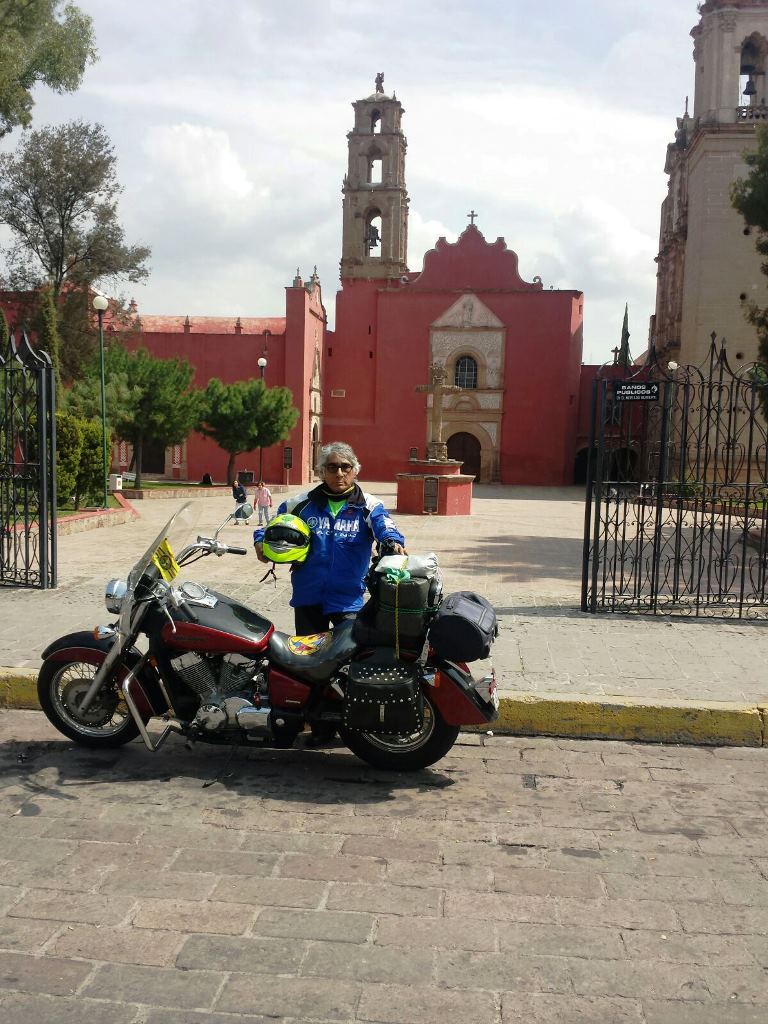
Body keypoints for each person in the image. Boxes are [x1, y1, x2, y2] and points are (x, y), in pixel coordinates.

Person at [254, 441, 406, 634]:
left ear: (355, 471)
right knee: (308, 658)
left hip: (348, 600)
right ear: (322, 472)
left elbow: (385, 526)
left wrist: (393, 541)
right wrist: (260, 542)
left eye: (345, 467)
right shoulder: (299, 504)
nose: (339, 473)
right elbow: (269, 528)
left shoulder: (369, 505)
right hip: (308, 596)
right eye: (332, 467)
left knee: (347, 657)